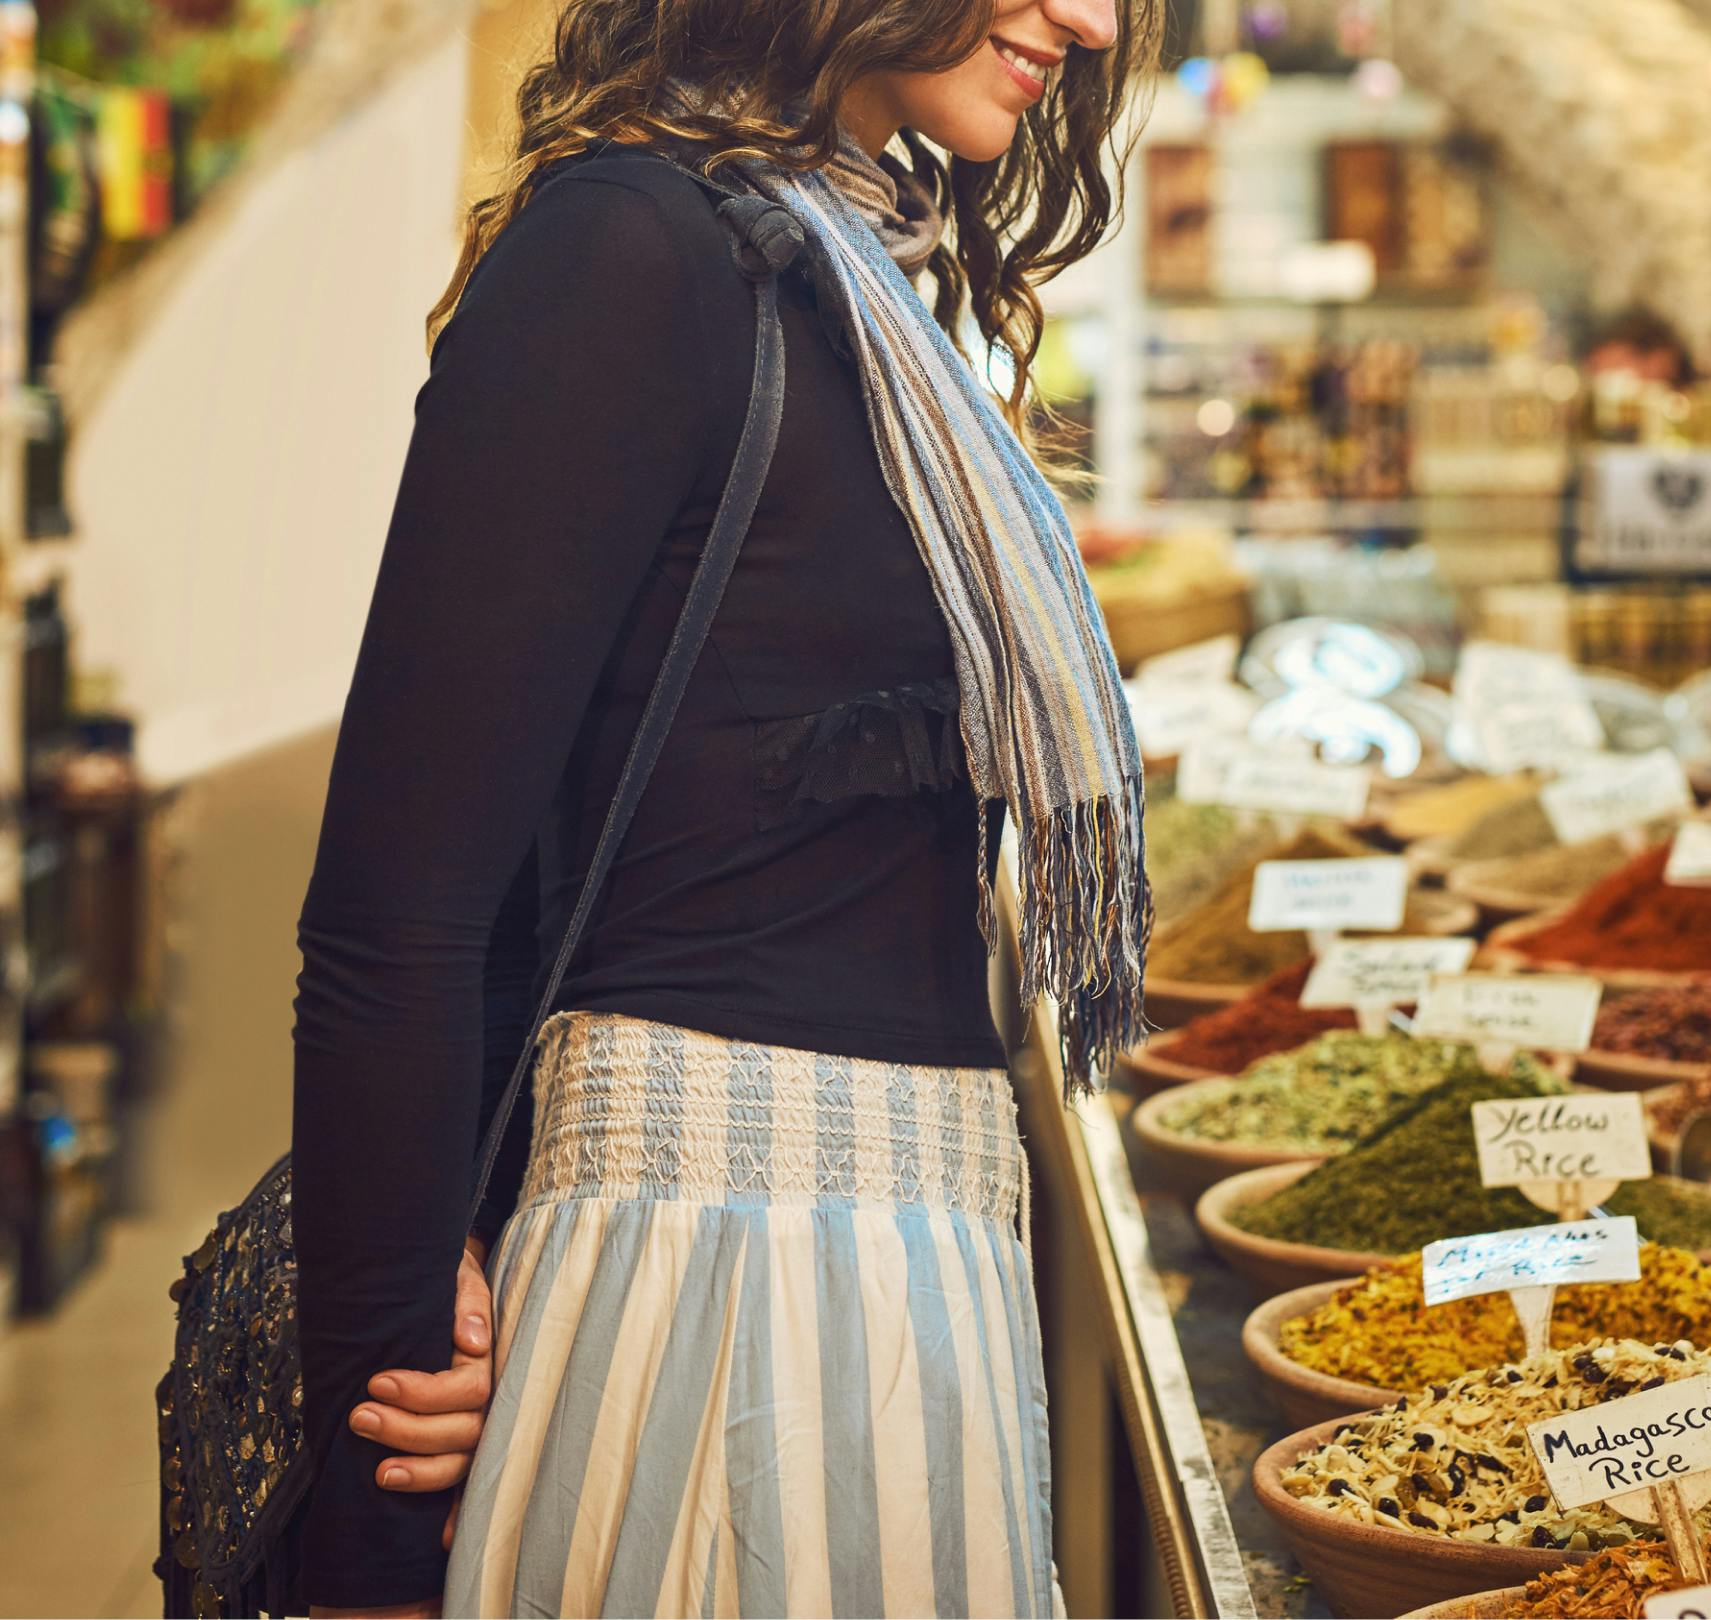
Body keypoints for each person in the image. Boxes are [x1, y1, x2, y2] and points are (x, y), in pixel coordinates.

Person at [287, 0, 1157, 1613]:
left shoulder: (855, 266)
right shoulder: (633, 254)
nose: (1094, 23)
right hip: (708, 1279)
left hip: (907, 1252)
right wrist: (378, 1490)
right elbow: (395, 913)